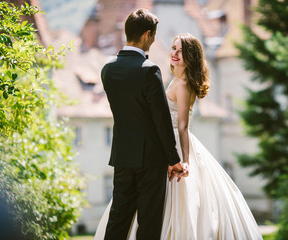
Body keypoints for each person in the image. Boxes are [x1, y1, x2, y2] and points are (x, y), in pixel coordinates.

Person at [96, 32, 263, 239]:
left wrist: (184, 160)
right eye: (174, 48)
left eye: (181, 51)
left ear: (191, 57)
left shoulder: (183, 85)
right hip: (164, 141)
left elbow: (183, 126)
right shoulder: (176, 80)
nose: (175, 53)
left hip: (173, 141)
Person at [99, 8, 184, 240]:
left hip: (122, 156)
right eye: (154, 35)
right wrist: (173, 159)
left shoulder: (108, 70)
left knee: (118, 219)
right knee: (149, 221)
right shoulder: (149, 71)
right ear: (147, 34)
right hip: (151, 159)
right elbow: (161, 119)